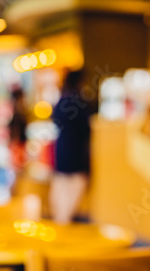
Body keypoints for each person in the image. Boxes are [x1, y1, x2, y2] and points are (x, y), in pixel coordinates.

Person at [50, 69, 90, 223]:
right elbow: (85, 126)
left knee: (61, 182)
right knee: (76, 183)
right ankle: (64, 219)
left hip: (61, 145)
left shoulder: (61, 99)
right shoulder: (78, 100)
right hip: (75, 147)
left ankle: (59, 219)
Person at [8, 88, 28, 170]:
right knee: (17, 166)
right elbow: (15, 130)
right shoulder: (17, 113)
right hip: (17, 144)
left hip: (18, 144)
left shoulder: (18, 112)